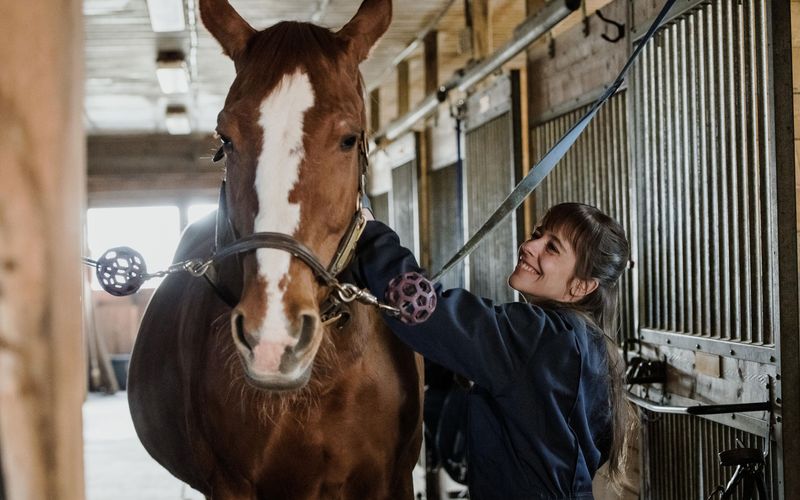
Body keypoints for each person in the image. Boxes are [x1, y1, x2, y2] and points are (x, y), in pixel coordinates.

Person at [352, 202, 633, 500]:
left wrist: (370, 234)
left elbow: (426, 311)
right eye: (537, 234)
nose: (528, 245)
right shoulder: (592, 346)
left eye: (552, 247)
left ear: (580, 286)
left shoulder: (539, 336)